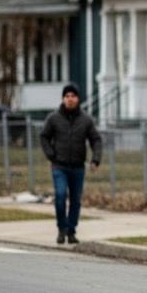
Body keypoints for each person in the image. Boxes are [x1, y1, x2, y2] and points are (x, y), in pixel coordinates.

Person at [40, 84, 102, 245]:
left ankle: (71, 230)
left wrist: (95, 159)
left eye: (73, 96)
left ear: (78, 99)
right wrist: (50, 155)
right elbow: (44, 137)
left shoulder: (86, 120)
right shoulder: (53, 118)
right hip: (59, 166)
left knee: (75, 200)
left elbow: (96, 140)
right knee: (60, 196)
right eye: (67, 96)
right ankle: (62, 228)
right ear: (63, 99)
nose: (70, 99)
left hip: (77, 167)